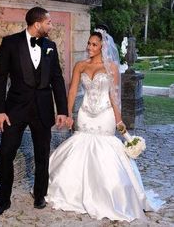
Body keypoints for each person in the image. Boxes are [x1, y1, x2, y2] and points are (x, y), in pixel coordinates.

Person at [46, 29, 164, 222]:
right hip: (85, 113)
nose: (89, 47)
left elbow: (114, 97)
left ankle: (107, 195)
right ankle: (74, 193)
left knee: (106, 150)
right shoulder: (80, 66)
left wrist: (119, 121)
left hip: (105, 115)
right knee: (80, 145)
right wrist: (68, 114)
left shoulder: (112, 68)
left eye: (94, 44)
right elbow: (73, 90)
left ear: (103, 47)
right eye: (89, 44)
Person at [0, 7, 68, 216]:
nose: (51, 26)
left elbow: (57, 79)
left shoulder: (50, 46)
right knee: (5, 153)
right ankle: (4, 200)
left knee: (42, 154)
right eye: (48, 22)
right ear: (37, 24)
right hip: (15, 109)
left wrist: (62, 110)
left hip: (42, 108)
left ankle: (40, 194)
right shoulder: (10, 43)